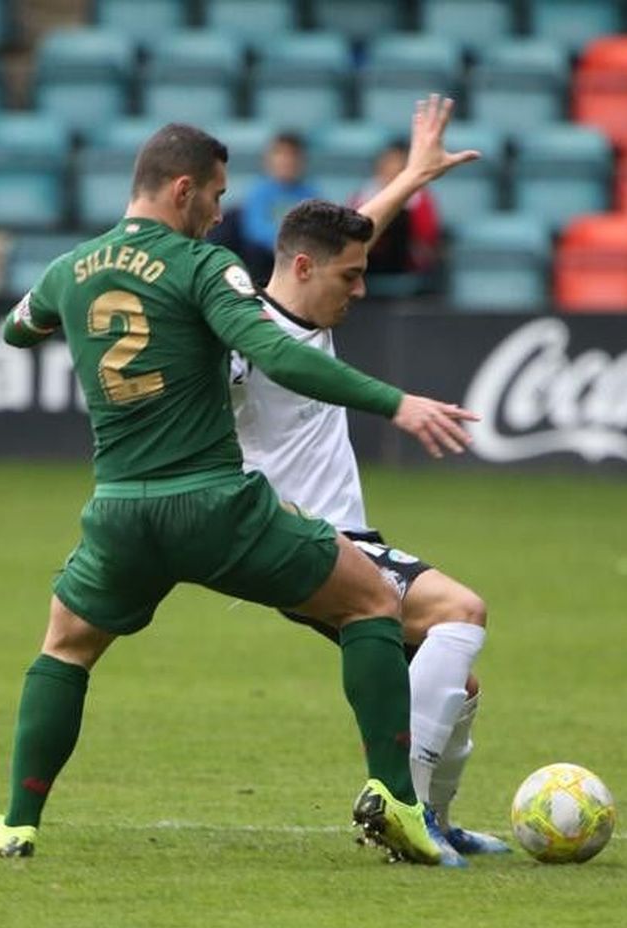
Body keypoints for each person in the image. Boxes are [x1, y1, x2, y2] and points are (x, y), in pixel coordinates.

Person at [0, 122, 479, 864]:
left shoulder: (71, 268)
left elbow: (16, 330)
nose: (220, 214)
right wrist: (395, 402)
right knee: (372, 601)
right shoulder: (203, 266)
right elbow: (268, 346)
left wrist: (67, 314)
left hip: (119, 510)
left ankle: (15, 822)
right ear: (182, 190)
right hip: (210, 502)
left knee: (65, 647)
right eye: (217, 196)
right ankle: (397, 802)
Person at [232, 97, 506, 868]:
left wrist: (412, 178)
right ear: (305, 269)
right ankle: (400, 808)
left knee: (460, 681)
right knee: (462, 609)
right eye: (350, 278)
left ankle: (436, 824)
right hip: (306, 542)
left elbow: (351, 235)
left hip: (344, 539)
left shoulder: (307, 311)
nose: (361, 289)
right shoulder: (243, 340)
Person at [349, 140, 441, 293]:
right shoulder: (363, 195)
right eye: (388, 162)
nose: (392, 168)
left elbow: (427, 236)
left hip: (407, 265)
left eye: (398, 163)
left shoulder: (420, 198)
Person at [237, 132, 317, 284]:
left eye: (293, 155)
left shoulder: (310, 194)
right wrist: (282, 245)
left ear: (303, 161)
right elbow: (255, 229)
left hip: (299, 255)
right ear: (268, 160)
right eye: (281, 154)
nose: (287, 161)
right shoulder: (258, 192)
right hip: (266, 258)